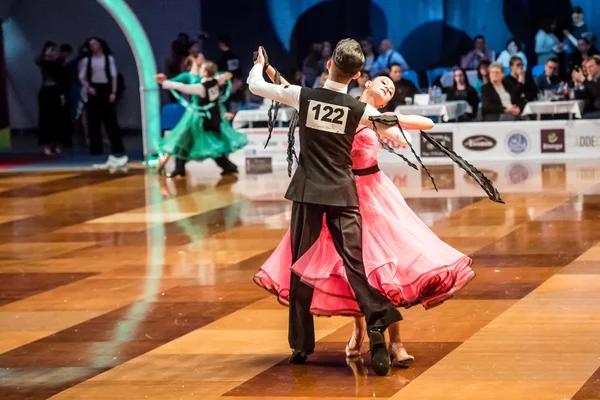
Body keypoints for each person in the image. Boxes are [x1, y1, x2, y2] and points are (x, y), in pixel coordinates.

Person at [254, 66, 475, 369]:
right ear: (366, 81)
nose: (387, 89)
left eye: (391, 91)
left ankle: (395, 343)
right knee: (348, 267)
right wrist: (268, 69)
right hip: (342, 193)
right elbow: (294, 91)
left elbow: (425, 124)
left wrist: (391, 121)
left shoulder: (372, 116)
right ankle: (358, 333)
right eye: (384, 83)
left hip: (374, 196)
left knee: (385, 269)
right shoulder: (345, 107)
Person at [248, 40, 409, 376]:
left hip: (308, 193)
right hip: (343, 193)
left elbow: (256, 86)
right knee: (356, 265)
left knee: (299, 269)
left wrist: (259, 65)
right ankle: (379, 325)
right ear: (357, 75)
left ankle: (301, 346)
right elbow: (392, 129)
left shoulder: (305, 97)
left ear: (329, 65)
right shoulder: (359, 110)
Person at [155, 58, 247, 177]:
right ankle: (226, 166)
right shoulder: (214, 82)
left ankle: (226, 166)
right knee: (205, 143)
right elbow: (222, 77)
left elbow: (184, 88)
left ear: (205, 72)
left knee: (191, 141)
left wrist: (165, 83)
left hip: (200, 119)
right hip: (213, 117)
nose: (200, 70)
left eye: (202, 68)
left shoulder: (202, 87)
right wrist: (226, 76)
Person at [78, 37, 126, 167]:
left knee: (110, 119)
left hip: (106, 88)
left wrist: (113, 92)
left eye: (95, 43)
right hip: (94, 88)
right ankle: (95, 148)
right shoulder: (87, 60)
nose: (93, 46)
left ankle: (117, 147)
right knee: (93, 120)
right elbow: (81, 76)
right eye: (90, 44)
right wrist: (88, 87)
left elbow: (114, 76)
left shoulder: (108, 58)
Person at [36, 41, 68, 156]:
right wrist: (46, 54)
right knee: (45, 119)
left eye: (54, 50)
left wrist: (62, 94)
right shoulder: (43, 62)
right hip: (45, 92)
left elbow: (62, 79)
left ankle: (57, 144)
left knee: (57, 119)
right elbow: (38, 60)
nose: (52, 52)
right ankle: (46, 145)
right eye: (50, 50)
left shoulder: (59, 63)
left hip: (56, 91)